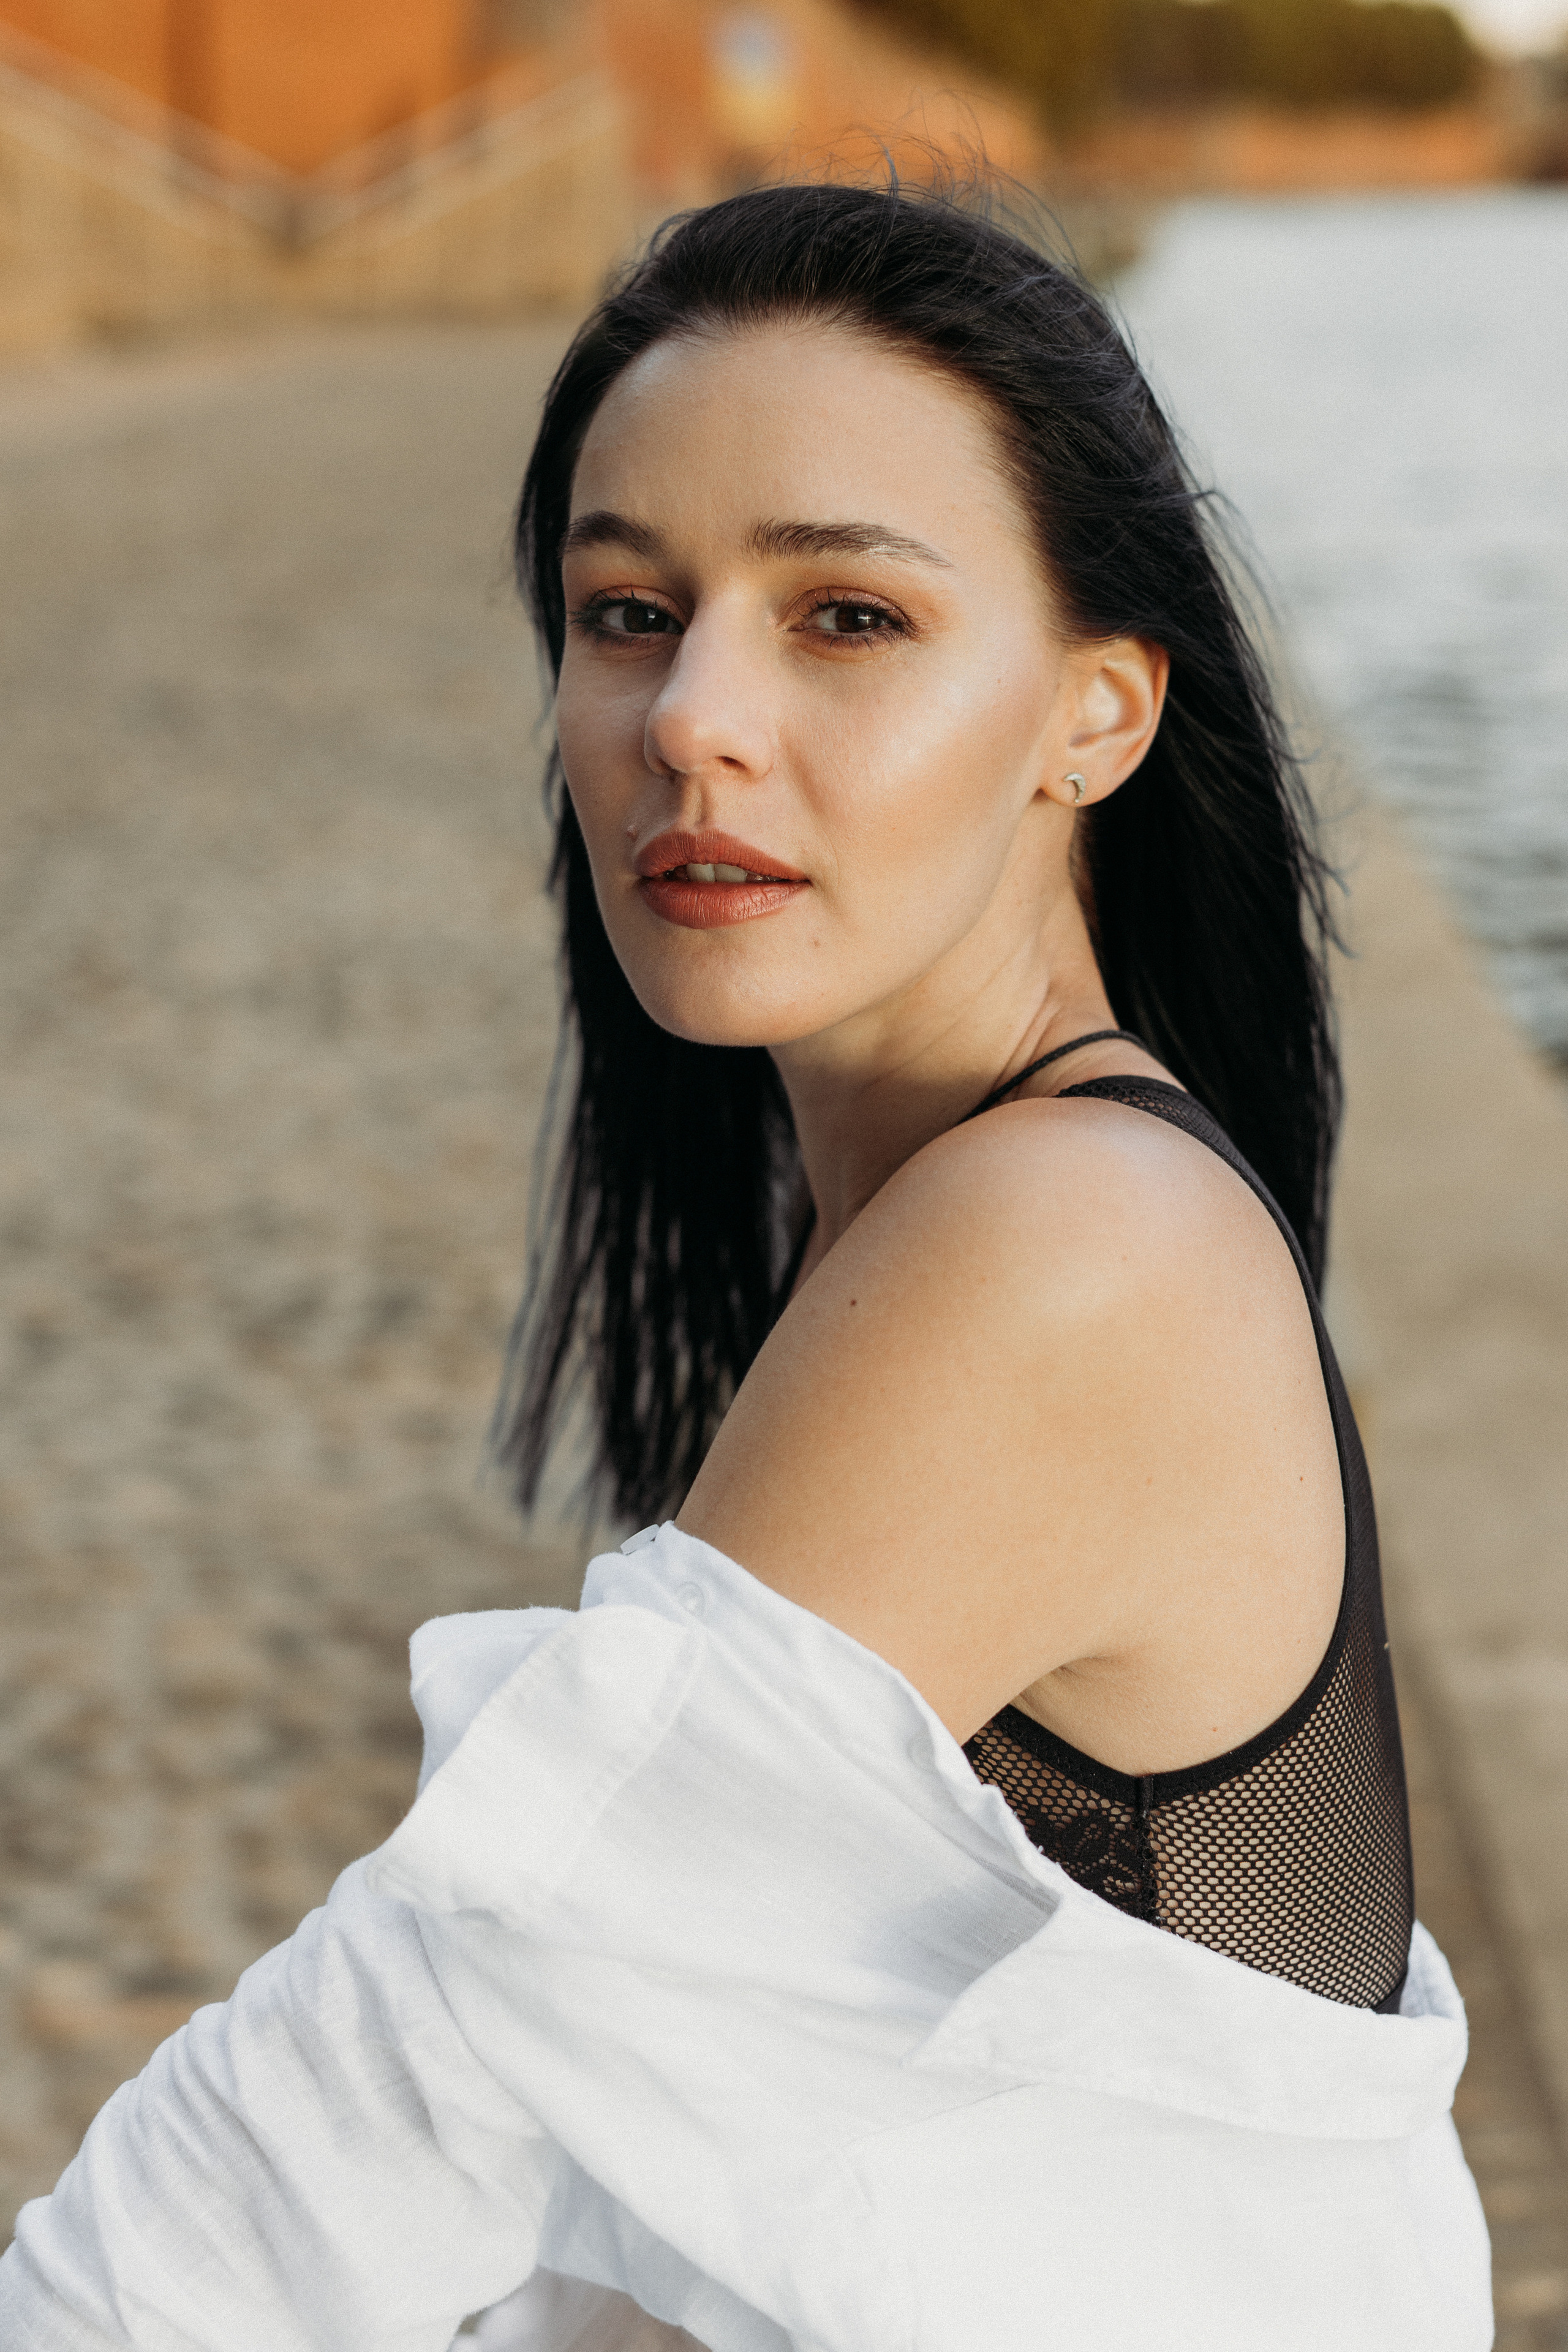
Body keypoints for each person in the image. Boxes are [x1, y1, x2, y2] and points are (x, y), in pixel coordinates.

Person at [0, 177, 1490, 2352]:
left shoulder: (1061, 1245)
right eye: (628, 611)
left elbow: (405, 2084)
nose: (693, 712)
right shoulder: (999, 1189)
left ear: (1098, 710)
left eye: (848, 619)